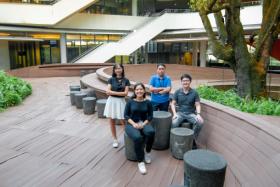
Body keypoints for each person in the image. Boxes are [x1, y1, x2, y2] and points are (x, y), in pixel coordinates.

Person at [124, 82, 155, 175]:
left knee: (151, 132)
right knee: (138, 137)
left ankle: (148, 152)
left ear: (144, 90)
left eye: (141, 89)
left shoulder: (148, 102)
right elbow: (126, 115)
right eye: (137, 89)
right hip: (131, 124)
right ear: (134, 91)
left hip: (143, 123)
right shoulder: (130, 102)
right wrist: (133, 124)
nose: (139, 91)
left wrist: (144, 124)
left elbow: (150, 116)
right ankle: (140, 161)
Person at [170, 74, 204, 149]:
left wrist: (198, 114)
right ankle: (174, 141)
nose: (185, 82)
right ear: (181, 82)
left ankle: (192, 140)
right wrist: (174, 114)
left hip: (191, 113)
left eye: (187, 80)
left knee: (200, 122)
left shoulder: (194, 92)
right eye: (184, 81)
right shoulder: (177, 92)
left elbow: (198, 105)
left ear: (190, 82)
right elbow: (173, 104)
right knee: (174, 123)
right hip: (180, 113)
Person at [104, 63, 130, 148]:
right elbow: (107, 91)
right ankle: (115, 139)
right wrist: (119, 93)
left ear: (122, 69)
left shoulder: (126, 80)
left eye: (120, 68)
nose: (118, 70)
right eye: (116, 68)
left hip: (121, 102)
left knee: (124, 121)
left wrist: (112, 92)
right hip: (111, 102)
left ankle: (128, 138)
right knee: (112, 121)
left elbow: (125, 93)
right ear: (114, 70)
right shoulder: (111, 80)